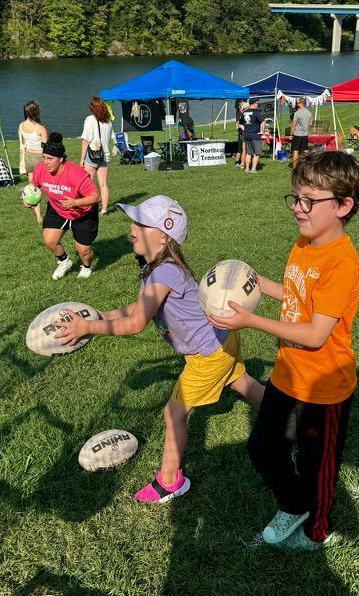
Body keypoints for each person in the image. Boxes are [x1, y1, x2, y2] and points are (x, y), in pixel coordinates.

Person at [51, 195, 264, 503]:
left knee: (174, 412)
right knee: (242, 382)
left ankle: (170, 481)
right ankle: (288, 421)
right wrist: (97, 318)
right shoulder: (158, 268)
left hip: (208, 354)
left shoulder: (163, 272)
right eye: (133, 221)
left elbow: (136, 322)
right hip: (221, 339)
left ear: (164, 236)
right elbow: (135, 309)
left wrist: (88, 329)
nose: (132, 228)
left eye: (141, 223)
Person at [209, 149, 359, 551]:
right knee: (263, 446)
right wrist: (259, 283)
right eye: (294, 198)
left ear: (343, 205)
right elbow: (298, 296)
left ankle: (317, 533)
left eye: (308, 201)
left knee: (317, 465)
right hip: (287, 375)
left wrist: (251, 321)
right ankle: (294, 505)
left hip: (324, 389)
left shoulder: (341, 262)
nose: (297, 208)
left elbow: (315, 333)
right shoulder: (304, 243)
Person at [23, 132, 99, 280]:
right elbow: (33, 186)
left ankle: (87, 266)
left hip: (82, 212)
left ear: (61, 159)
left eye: (50, 159)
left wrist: (75, 202)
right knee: (50, 240)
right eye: (44, 158)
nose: (46, 162)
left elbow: (96, 197)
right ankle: (65, 262)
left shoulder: (77, 174)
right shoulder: (41, 168)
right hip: (58, 209)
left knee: (83, 251)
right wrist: (29, 198)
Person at [80, 96, 114, 216]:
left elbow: (85, 140)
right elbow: (110, 138)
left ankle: (87, 208)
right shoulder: (108, 121)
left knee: (87, 184)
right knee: (103, 184)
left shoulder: (89, 120)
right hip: (104, 156)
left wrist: (82, 160)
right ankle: (104, 209)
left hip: (92, 156)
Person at [18, 101, 48, 181]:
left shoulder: (21, 125)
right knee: (44, 180)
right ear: (36, 112)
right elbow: (45, 146)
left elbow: (21, 143)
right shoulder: (41, 128)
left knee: (31, 181)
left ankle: (31, 193)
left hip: (27, 155)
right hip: (39, 156)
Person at [241, 99, 264, 172]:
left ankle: (247, 169)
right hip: (255, 135)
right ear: (252, 104)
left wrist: (246, 129)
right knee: (257, 153)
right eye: (257, 103)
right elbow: (263, 122)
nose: (258, 105)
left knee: (248, 153)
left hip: (247, 135)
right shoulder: (257, 112)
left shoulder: (244, 113)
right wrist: (262, 131)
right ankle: (253, 169)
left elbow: (240, 124)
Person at [290, 97, 313, 168]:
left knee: (295, 151)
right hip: (305, 134)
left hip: (297, 134)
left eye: (298, 103)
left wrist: (291, 134)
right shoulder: (309, 113)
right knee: (305, 150)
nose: (297, 104)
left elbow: (293, 125)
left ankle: (294, 167)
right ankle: (306, 165)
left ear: (301, 103)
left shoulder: (297, 113)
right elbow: (310, 124)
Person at [234, 101, 247, 168]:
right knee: (240, 148)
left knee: (241, 148)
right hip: (241, 133)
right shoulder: (240, 113)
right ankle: (237, 162)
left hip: (242, 132)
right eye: (244, 106)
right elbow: (237, 124)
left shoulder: (242, 113)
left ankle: (240, 162)